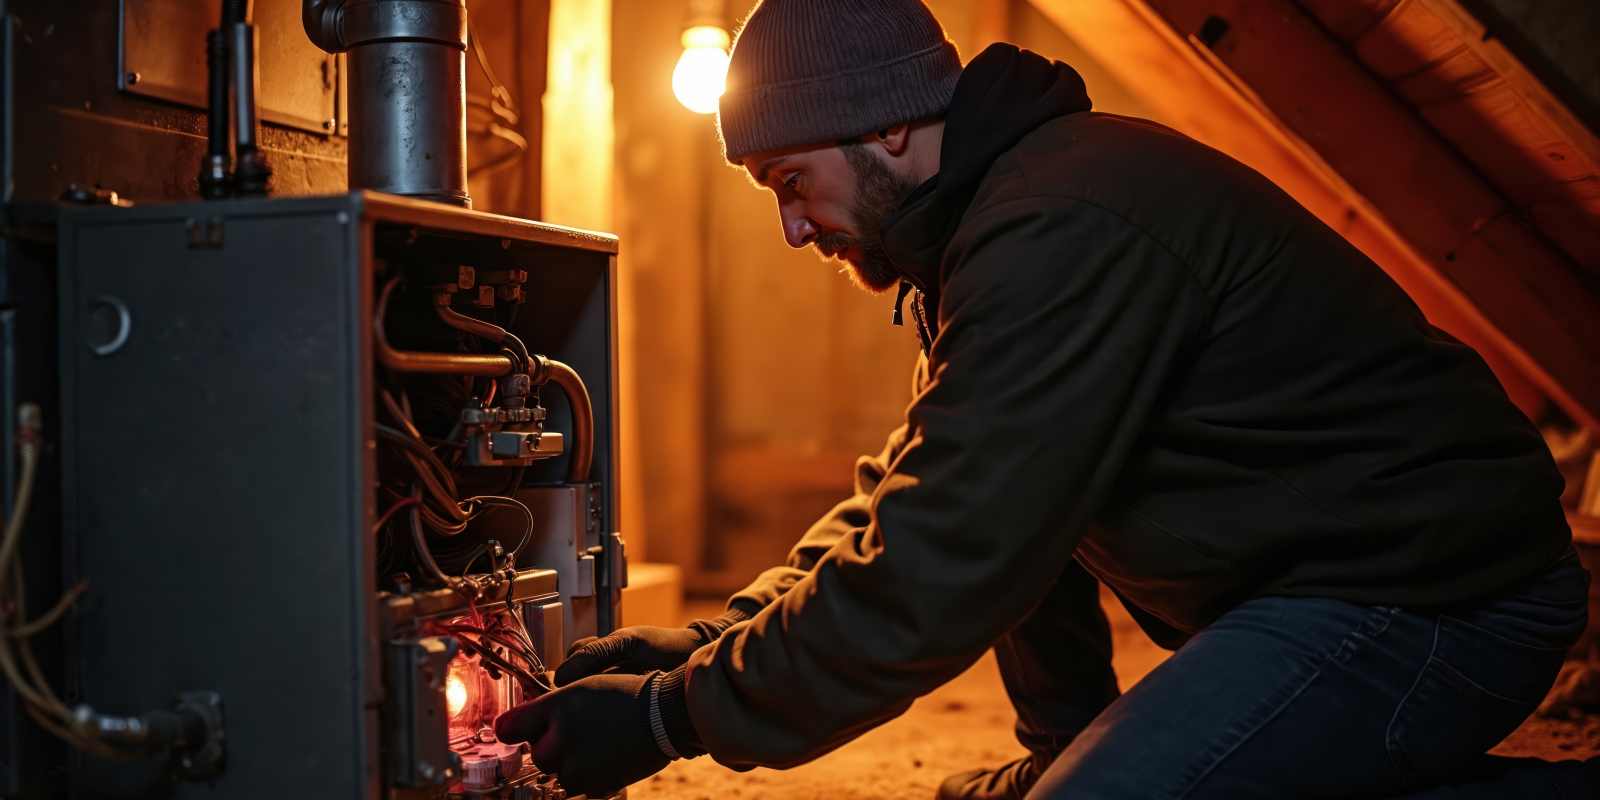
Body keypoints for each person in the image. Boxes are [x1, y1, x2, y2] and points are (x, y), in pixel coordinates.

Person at [494, 1, 1597, 797]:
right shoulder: (987, 225)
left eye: (790, 182)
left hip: (1440, 600)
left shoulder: (1061, 226)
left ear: (885, 125)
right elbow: (932, 493)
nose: (791, 228)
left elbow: (945, 563)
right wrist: (709, 639)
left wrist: (670, 717)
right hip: (1321, 586)